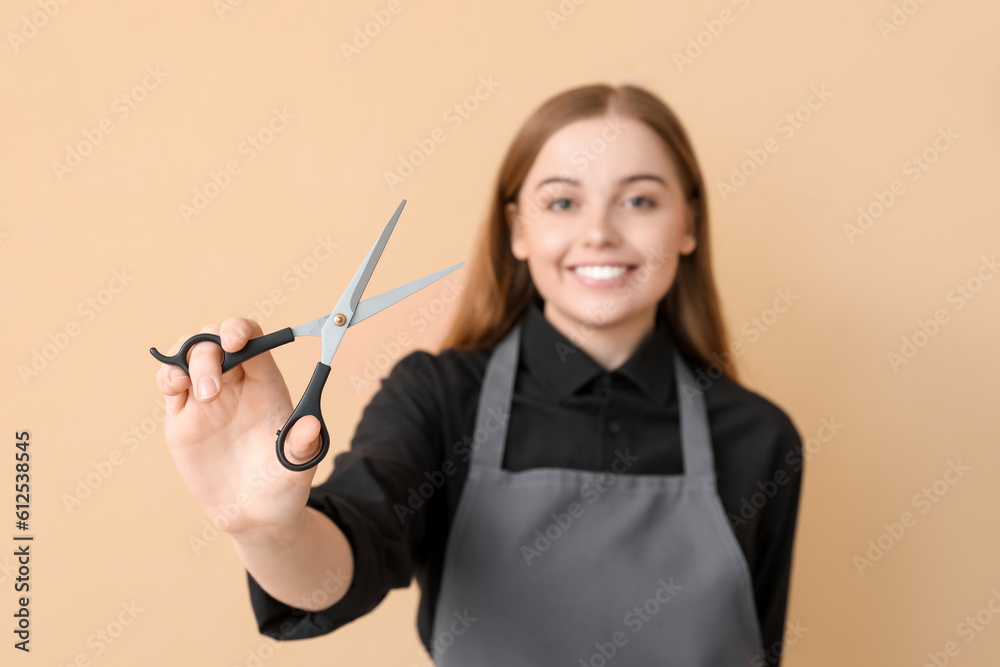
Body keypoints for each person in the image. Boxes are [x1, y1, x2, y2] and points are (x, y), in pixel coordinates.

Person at [155, 82, 804, 665]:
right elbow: (340, 568)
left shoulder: (759, 437)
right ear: (517, 229)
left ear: (688, 222)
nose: (599, 231)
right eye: (562, 202)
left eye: (638, 199)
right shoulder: (441, 399)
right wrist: (266, 527)